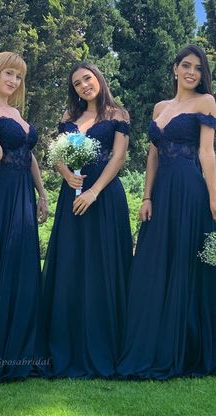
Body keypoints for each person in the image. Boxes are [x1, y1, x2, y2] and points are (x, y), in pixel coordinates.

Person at [117, 45, 216, 380]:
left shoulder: (206, 103)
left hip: (189, 189)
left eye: (198, 68)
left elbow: (207, 152)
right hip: (161, 194)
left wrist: (215, 199)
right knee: (153, 262)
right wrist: (146, 197)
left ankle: (187, 347)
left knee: (189, 262)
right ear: (174, 69)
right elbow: (153, 155)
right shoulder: (160, 107)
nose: (192, 72)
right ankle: (153, 342)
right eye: (186, 65)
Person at [38, 62, 133, 378]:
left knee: (102, 266)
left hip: (104, 197)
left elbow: (118, 157)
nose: (83, 86)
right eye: (77, 83)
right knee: (73, 265)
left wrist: (94, 191)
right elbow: (58, 157)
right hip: (72, 198)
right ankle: (69, 345)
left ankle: (105, 344)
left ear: (98, 78)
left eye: (87, 79)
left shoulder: (118, 114)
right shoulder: (68, 119)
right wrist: (65, 173)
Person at [0, 51, 48, 384]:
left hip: (24, 194)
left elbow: (28, 154)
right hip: (3, 194)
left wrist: (43, 193)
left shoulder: (16, 113)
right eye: (9, 73)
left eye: (19, 76)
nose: (14, 81)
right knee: (2, 262)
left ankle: (20, 350)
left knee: (22, 265)